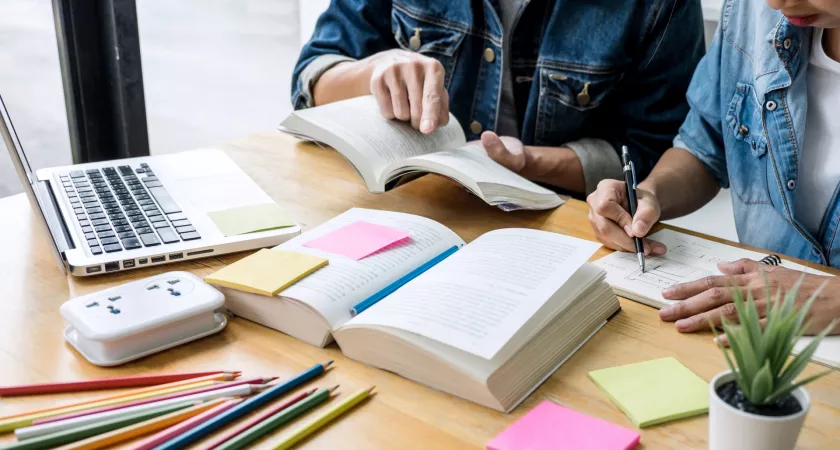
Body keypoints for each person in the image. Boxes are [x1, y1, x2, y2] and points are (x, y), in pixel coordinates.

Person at [587, 0, 840, 334]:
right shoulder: (749, 11)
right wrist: (649, 194)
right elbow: (705, 147)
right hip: (755, 328)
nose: (775, 2)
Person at [291, 1, 705, 196]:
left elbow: (652, 153)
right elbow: (312, 78)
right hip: (407, 203)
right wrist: (378, 70)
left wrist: (527, 163)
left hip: (557, 225)